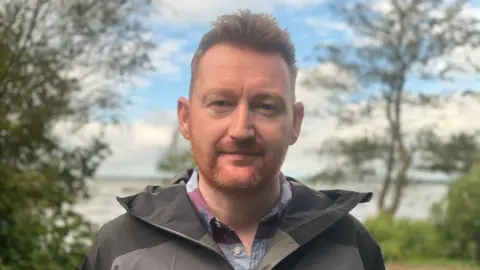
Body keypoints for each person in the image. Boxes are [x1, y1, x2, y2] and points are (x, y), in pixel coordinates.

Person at [81, 9, 385, 270]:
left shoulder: (351, 246)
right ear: (185, 119)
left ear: (295, 123)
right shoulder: (118, 248)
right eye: (221, 103)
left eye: (266, 106)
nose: (241, 130)